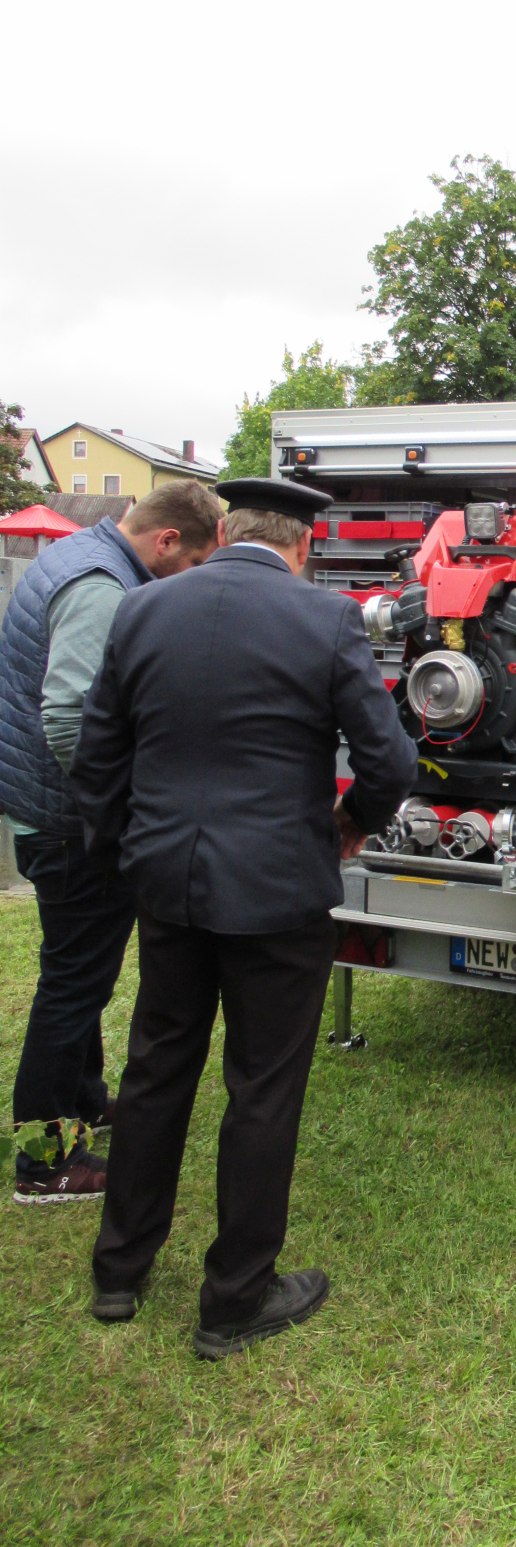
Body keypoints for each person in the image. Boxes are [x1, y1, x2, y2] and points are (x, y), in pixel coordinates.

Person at [69, 477, 418, 1357]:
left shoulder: (144, 609)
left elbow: (99, 756)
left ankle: (120, 1268)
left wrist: (128, 849)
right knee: (262, 1088)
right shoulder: (326, 620)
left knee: (155, 1070)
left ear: (222, 531)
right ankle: (234, 1295)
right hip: (276, 889)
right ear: (306, 545)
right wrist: (346, 826)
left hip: (169, 885)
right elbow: (388, 760)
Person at [1, 481, 222, 1204]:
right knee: (71, 988)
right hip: (71, 825)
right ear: (165, 541)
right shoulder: (101, 587)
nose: (189, 580)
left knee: (81, 978)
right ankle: (43, 1161)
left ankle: (86, 1103)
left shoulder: (81, 557)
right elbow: (68, 715)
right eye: (192, 563)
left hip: (54, 813)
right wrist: (120, 812)